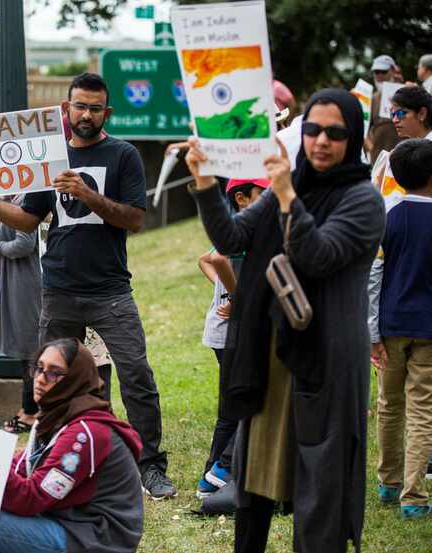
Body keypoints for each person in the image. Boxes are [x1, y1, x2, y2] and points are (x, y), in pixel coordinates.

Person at [185, 88, 385, 552]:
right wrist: (204, 183)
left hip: (326, 362)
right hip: (271, 354)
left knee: (321, 489)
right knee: (255, 478)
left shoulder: (362, 200)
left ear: (352, 137)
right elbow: (232, 236)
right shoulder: (290, 185)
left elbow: (316, 256)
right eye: (313, 129)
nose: (320, 141)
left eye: (335, 133)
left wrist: (288, 197)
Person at [0, 72, 176, 498]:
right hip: (57, 288)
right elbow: (27, 219)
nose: (86, 115)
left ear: (106, 113)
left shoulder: (122, 155)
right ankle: (52, 455)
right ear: (66, 108)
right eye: (79, 106)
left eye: (95, 108)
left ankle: (149, 465)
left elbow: (134, 218)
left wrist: (87, 194)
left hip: (111, 289)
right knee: (52, 377)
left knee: (137, 376)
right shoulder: (50, 156)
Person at [0, 338, 143, 553]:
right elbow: (20, 468)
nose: (41, 379)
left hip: (96, 537)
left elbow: (31, 498)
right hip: (66, 520)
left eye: (54, 372)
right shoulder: (53, 417)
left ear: (75, 379)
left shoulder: (85, 434)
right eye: (39, 368)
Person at [368, 139, 432, 519]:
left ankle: (388, 484)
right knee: (422, 409)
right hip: (427, 329)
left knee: (389, 405)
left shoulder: (387, 216)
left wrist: (372, 332)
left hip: (389, 327)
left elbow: (373, 277)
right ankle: (415, 498)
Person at [196, 178, 269, 501]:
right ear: (241, 198)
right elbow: (217, 259)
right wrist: (240, 295)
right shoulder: (243, 226)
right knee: (246, 405)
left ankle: (211, 476)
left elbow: (204, 258)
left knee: (232, 407)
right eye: (262, 194)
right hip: (232, 335)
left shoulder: (241, 226)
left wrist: (228, 290)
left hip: (227, 333)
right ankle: (219, 473)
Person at [0, 194, 42, 433]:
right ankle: (30, 409)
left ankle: (30, 412)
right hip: (14, 278)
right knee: (25, 348)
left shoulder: (23, 201)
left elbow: (25, 244)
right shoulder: (8, 199)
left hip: (26, 280)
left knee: (30, 348)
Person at [367, 55, 402, 162]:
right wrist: (370, 146)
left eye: (383, 71)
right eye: (376, 72)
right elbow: (365, 127)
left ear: (393, 70)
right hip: (378, 158)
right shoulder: (372, 98)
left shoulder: (405, 92)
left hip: (402, 156)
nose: (380, 75)